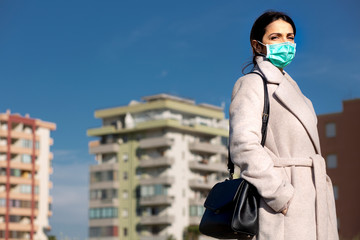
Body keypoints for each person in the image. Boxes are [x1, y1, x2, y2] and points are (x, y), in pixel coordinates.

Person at [229, 11, 339, 240]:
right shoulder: (252, 84)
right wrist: (279, 194)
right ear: (258, 45)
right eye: (276, 37)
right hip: (282, 203)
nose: (285, 44)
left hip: (314, 200)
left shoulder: (299, 94)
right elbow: (243, 145)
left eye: (290, 37)